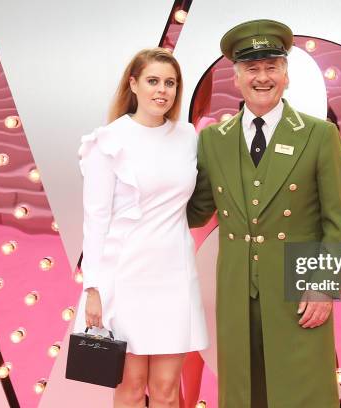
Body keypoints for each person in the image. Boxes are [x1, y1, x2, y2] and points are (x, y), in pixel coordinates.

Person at [187, 19, 341, 408]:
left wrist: (323, 285)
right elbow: (197, 210)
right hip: (235, 290)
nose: (262, 77)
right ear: (237, 76)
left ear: (286, 74)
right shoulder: (213, 139)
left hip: (298, 290)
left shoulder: (318, 134)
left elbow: (337, 220)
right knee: (245, 394)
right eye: (252, 68)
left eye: (271, 67)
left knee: (303, 393)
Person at [73, 47, 208, 408]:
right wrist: (94, 287)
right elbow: (96, 219)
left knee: (166, 391)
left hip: (175, 275)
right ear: (133, 84)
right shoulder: (107, 141)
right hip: (125, 278)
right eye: (152, 81)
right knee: (130, 389)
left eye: (170, 83)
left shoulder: (189, 138)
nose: (161, 90)